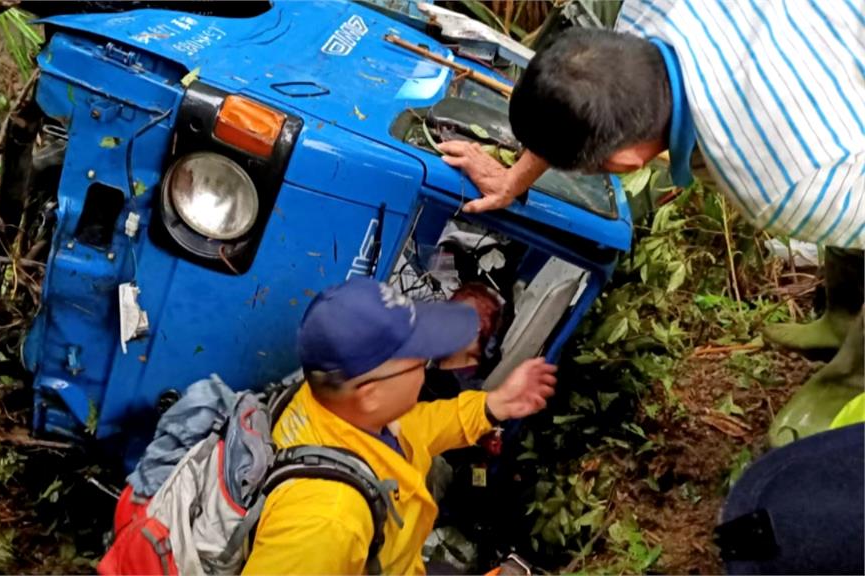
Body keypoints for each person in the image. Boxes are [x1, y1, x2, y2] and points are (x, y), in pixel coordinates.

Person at [437, 0, 864, 443]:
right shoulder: (646, 13)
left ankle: (847, 384)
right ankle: (841, 319)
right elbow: (589, 96)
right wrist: (513, 180)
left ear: (624, 163)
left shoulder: (788, 184)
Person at [241, 278, 557, 575]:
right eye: (419, 362)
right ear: (371, 394)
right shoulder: (327, 523)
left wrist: (493, 405)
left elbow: (416, 427)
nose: (428, 369)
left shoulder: (330, 402)